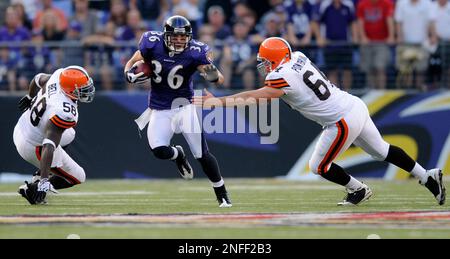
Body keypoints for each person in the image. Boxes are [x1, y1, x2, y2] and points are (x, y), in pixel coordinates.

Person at [194, 37, 446, 206]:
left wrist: (219, 102)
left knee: (319, 166)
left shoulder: (282, 75)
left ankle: (357, 189)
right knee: (383, 150)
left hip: (341, 120)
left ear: (276, 59)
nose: (264, 66)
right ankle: (427, 176)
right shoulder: (298, 56)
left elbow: (255, 97)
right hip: (353, 105)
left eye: (266, 61)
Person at [124, 15, 232, 208]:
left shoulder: (196, 52)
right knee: (159, 150)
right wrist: (128, 74)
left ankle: (221, 193)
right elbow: (132, 61)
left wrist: (213, 75)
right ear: (165, 35)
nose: (180, 41)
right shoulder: (151, 43)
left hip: (185, 106)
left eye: (183, 37)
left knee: (201, 154)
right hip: (159, 108)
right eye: (176, 37)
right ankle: (178, 155)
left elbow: (218, 79)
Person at [13, 66, 95, 205]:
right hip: (33, 146)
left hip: (22, 126)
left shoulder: (58, 77)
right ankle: (35, 188)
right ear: (70, 89)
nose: (86, 90)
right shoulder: (64, 111)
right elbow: (48, 144)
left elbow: (37, 79)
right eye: (81, 88)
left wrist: (29, 96)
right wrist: (44, 181)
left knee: (69, 134)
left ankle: (41, 176)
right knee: (78, 176)